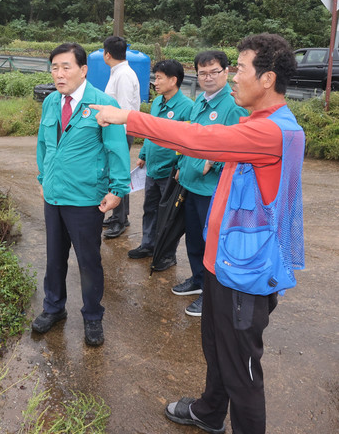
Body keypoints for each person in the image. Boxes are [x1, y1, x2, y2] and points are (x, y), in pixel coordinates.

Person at [90, 33, 304, 434]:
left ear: (268, 79)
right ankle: (209, 412)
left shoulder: (273, 132)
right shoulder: (257, 123)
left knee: (242, 372)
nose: (233, 76)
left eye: (240, 69)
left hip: (245, 275)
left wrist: (129, 118)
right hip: (225, 264)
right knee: (217, 348)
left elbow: (200, 139)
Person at [32, 42, 131, 346]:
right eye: (54, 68)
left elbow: (117, 148)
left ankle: (92, 316)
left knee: (88, 261)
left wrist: (118, 189)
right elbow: (43, 145)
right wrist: (42, 177)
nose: (59, 74)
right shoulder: (51, 102)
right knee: (54, 258)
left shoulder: (102, 103)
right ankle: (53, 307)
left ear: (83, 70)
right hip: (54, 196)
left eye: (66, 67)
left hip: (86, 198)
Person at [173, 51, 248, 317]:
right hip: (191, 184)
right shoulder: (200, 101)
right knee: (194, 239)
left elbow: (237, 144)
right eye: (202, 73)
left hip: (212, 189)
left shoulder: (232, 105)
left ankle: (211, 294)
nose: (207, 78)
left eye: (213, 71)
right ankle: (198, 279)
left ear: (226, 72)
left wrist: (211, 164)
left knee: (212, 243)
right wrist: (182, 166)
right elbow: (190, 137)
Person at [127, 59, 193, 269]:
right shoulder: (157, 102)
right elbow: (150, 132)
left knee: (169, 215)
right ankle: (148, 245)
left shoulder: (187, 107)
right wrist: (143, 154)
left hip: (171, 171)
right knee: (150, 209)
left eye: (159, 78)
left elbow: (189, 141)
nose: (155, 82)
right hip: (152, 168)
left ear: (173, 80)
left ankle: (166, 254)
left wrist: (181, 165)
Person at [100, 36, 141, 239]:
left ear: (107, 54)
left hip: (121, 133)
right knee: (116, 174)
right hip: (118, 132)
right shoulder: (118, 72)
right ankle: (119, 216)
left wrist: (119, 140)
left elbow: (124, 109)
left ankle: (120, 220)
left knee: (118, 175)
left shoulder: (123, 75)